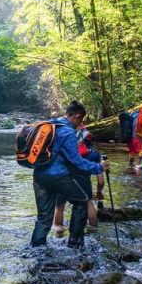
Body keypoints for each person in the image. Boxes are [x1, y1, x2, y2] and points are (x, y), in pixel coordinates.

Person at [30, 101, 108, 249]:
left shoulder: (49, 126)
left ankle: (36, 248)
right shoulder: (67, 131)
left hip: (39, 175)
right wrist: (98, 167)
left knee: (44, 215)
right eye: (81, 121)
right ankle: (75, 243)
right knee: (81, 201)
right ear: (77, 116)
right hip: (58, 175)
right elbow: (76, 160)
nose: (80, 125)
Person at [52, 125, 104, 235]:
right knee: (88, 202)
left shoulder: (69, 149)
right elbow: (100, 181)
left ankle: (58, 228)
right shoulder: (95, 154)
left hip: (64, 180)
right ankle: (93, 227)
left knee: (60, 205)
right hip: (84, 181)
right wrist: (99, 192)